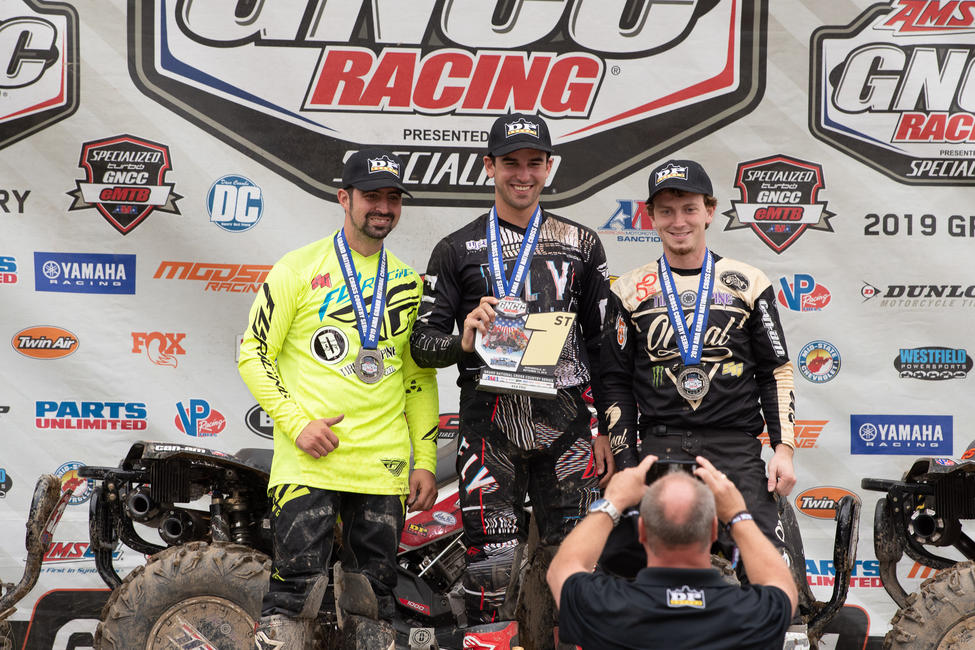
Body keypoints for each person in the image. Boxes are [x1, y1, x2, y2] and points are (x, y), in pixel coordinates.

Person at [409, 113, 614, 631]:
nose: (523, 174)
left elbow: (604, 346)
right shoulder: (456, 248)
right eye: (511, 163)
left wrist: (607, 430)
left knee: (578, 563)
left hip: (567, 425)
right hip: (489, 426)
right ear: (489, 166)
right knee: (491, 565)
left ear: (549, 167)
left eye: (533, 163)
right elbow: (422, 345)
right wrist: (463, 339)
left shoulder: (582, 244)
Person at [238, 149, 439, 647]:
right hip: (309, 462)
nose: (384, 207)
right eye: (372, 196)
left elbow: (417, 378)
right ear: (343, 198)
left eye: (393, 198)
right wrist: (297, 423)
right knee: (294, 597)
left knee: (374, 603)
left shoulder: (409, 282)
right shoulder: (297, 268)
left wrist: (425, 459)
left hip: (383, 467)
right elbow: (253, 353)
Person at [599, 159, 796, 559]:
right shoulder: (628, 290)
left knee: (768, 561)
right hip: (660, 446)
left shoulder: (750, 282)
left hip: (734, 448)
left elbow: (774, 371)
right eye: (666, 211)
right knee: (622, 561)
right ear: (651, 216)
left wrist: (783, 449)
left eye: (689, 209)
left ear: (709, 211)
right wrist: (627, 462)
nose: (678, 221)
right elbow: (615, 380)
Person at [546, 455, 798, 649]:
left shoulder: (608, 607)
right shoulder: (748, 615)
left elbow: (562, 569)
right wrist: (737, 515)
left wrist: (613, 501)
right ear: (713, 530)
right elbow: (782, 585)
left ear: (642, 531)